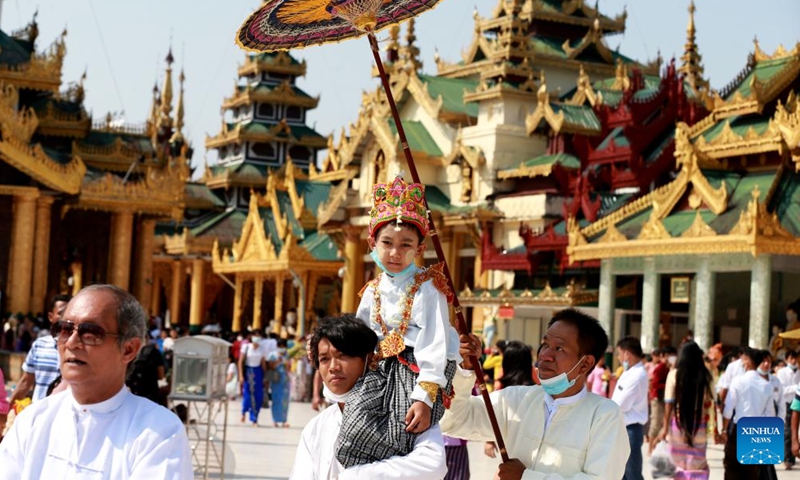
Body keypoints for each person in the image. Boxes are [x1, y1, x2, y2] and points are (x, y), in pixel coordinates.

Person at [0, 284, 191, 478]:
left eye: (90, 333)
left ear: (128, 349)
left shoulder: (159, 432)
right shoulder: (34, 420)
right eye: (64, 329)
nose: (72, 342)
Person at [343, 175, 460, 468]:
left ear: (419, 249)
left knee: (400, 434)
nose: (395, 252)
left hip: (416, 371)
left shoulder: (427, 287)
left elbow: (435, 343)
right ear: (372, 243)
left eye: (406, 244)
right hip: (379, 370)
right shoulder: (371, 290)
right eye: (387, 243)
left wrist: (424, 397)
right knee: (351, 430)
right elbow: (359, 341)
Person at [441, 308, 629, 479]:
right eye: (545, 344)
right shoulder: (515, 399)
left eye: (559, 348)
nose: (545, 355)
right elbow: (455, 422)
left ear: (586, 363)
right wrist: (465, 369)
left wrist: (525, 477)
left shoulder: (605, 416)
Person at [290, 314, 447, 479]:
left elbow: (433, 465)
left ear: (370, 358)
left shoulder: (408, 410)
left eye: (344, 355)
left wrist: (354, 476)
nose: (333, 367)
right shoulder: (316, 428)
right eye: (324, 359)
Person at [657, 341, 720, 479]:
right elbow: (712, 403)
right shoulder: (706, 375)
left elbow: (668, 404)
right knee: (697, 460)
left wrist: (665, 427)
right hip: (700, 423)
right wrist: (715, 430)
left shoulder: (674, 374)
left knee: (676, 460)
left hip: (678, 422)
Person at [723, 347, 777, 480]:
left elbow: (728, 409)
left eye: (743, 360)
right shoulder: (767, 386)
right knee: (752, 472)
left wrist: (724, 430)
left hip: (739, 429)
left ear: (747, 363)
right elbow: (770, 415)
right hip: (757, 430)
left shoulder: (738, 382)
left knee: (733, 469)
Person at [8, 295, 71, 406]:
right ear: (50, 317)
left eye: (70, 312)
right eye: (61, 313)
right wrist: (9, 411)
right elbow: (26, 382)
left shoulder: (81, 348)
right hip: (38, 416)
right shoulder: (39, 345)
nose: (66, 317)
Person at [484, 340, 535, 460]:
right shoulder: (536, 386)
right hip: (532, 443)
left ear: (506, 362)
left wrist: (489, 440)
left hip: (509, 443)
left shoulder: (502, 389)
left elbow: (493, 414)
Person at [612, 336, 648, 480]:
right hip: (626, 428)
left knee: (632, 473)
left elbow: (621, 405)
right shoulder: (632, 372)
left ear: (627, 354)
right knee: (622, 472)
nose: (619, 358)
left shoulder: (636, 375)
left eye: (620, 354)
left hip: (630, 429)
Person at [238, 331, 267, 426]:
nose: (257, 338)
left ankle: (254, 418)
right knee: (248, 395)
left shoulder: (262, 349)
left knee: (258, 396)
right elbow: (240, 362)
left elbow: (263, 363)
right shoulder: (246, 347)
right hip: (248, 372)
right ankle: (243, 411)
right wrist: (241, 375)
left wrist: (265, 376)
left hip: (258, 372)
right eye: (255, 336)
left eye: (259, 336)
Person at [778, 350, 800, 469]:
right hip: (787, 404)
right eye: (791, 358)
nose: (794, 361)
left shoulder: (799, 372)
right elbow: (782, 390)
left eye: (795, 358)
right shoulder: (782, 372)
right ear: (787, 359)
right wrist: (796, 388)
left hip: (797, 404)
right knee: (788, 431)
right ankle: (788, 458)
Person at [648, 348, 669, 452]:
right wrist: (668, 384)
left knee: (664, 424)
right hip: (657, 398)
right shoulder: (660, 367)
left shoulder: (669, 367)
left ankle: (656, 446)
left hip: (666, 399)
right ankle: (650, 448)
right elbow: (655, 384)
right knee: (655, 423)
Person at [268, 338, 291, 428]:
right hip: (276, 379)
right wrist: (278, 361)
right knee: (276, 400)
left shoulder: (287, 355)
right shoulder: (272, 355)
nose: (281, 348)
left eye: (283, 346)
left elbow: (289, 368)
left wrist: (287, 364)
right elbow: (270, 366)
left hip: (285, 380)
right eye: (280, 346)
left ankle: (284, 420)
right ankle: (275, 420)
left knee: (285, 400)